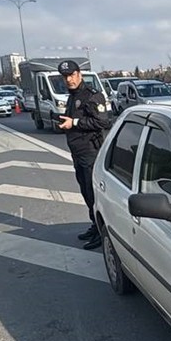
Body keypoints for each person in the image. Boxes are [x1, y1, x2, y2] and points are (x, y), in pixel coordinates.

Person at [56, 60, 112, 249]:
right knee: (86, 193)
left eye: (72, 75)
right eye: (65, 77)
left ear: (80, 74)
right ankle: (94, 226)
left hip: (91, 153)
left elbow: (103, 122)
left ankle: (101, 233)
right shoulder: (73, 96)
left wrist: (75, 123)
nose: (69, 79)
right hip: (78, 154)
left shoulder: (91, 96)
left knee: (93, 194)